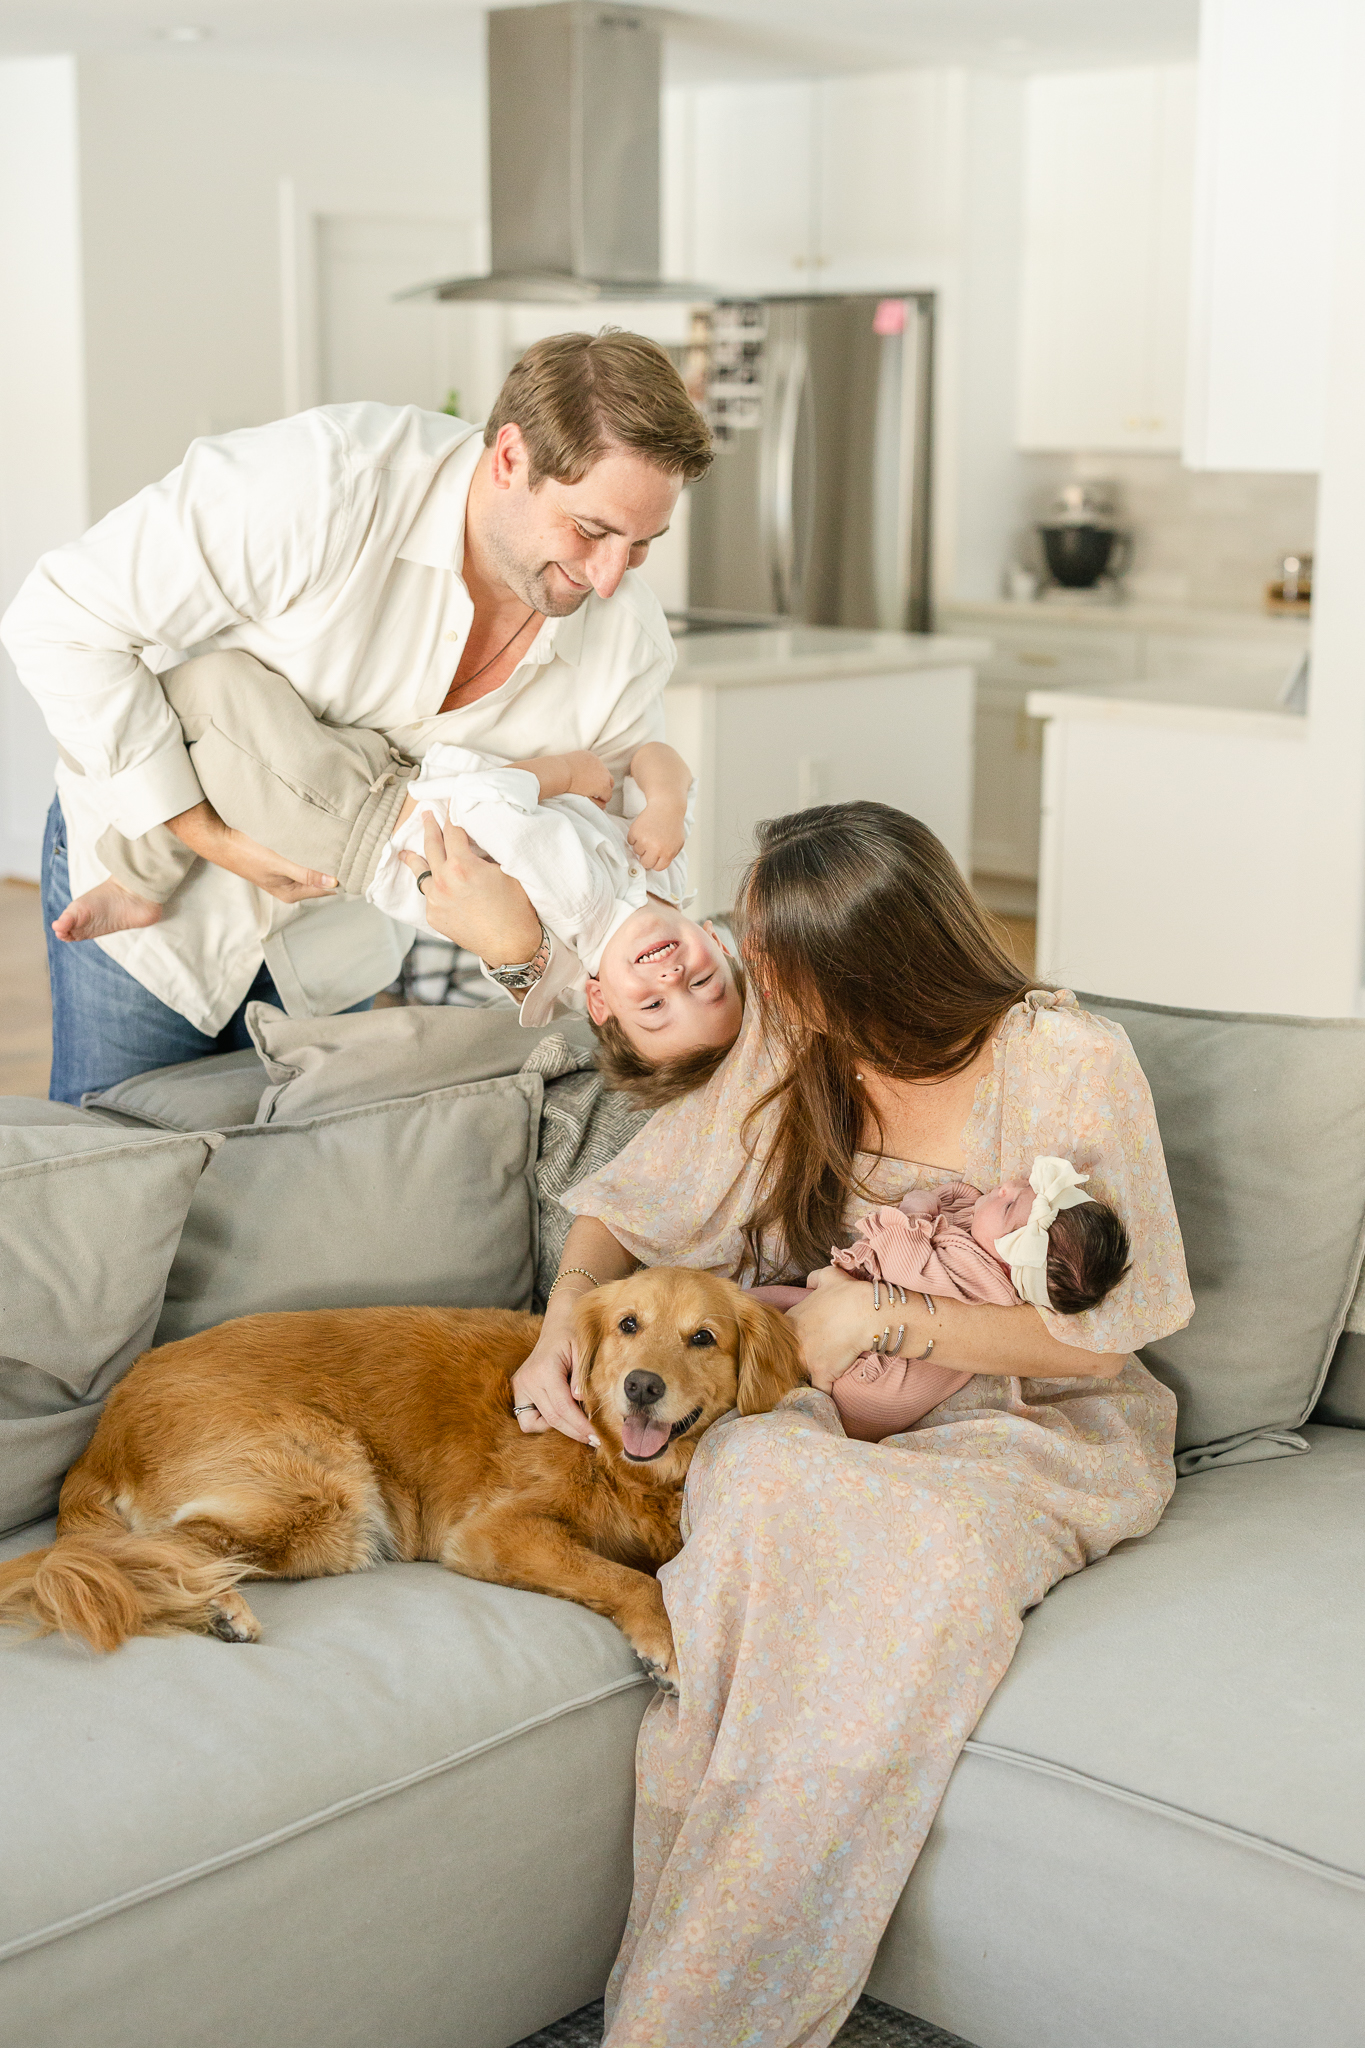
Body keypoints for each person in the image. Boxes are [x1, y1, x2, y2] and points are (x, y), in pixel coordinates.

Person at [510, 801, 1193, 2048]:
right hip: (838, 1403)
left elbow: (1108, 1333)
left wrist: (886, 1313)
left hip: (1033, 1416)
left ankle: (697, 2014)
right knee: (752, 1468)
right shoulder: (801, 1039)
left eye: (778, 961)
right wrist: (565, 1312)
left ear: (870, 967)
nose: (751, 982)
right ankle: (683, 1976)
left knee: (919, 1560)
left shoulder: (1069, 1058)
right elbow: (638, 1196)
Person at [0, 329, 711, 1100]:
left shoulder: (626, 643)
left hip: (331, 955)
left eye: (642, 545)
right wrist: (205, 834)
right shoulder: (326, 483)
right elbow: (57, 620)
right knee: (113, 1160)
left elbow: (613, 906)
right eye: (591, 530)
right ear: (511, 457)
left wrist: (520, 955)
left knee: (294, 1171)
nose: (609, 579)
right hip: (159, 912)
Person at [48, 651, 743, 1072]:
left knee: (210, 692)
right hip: (388, 782)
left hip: (357, 827)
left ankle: (137, 878)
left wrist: (566, 770)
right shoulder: (663, 875)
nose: (673, 978)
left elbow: (478, 799)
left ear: (599, 1002)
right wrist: (665, 804)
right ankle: (141, 871)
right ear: (717, 942)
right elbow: (655, 755)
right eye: (704, 983)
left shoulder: (574, 911)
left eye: (654, 1006)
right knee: (212, 752)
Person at [753, 1153, 1132, 1441]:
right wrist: (972, 1203)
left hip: (866, 1380)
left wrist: (915, 1210)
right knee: (789, 1306)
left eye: (1008, 1205)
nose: (1006, 1187)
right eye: (1019, 1188)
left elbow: (903, 1262)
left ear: (1009, 1264)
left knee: (771, 1308)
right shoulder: (986, 1253)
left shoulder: (979, 1274)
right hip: (860, 1333)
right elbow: (962, 1209)